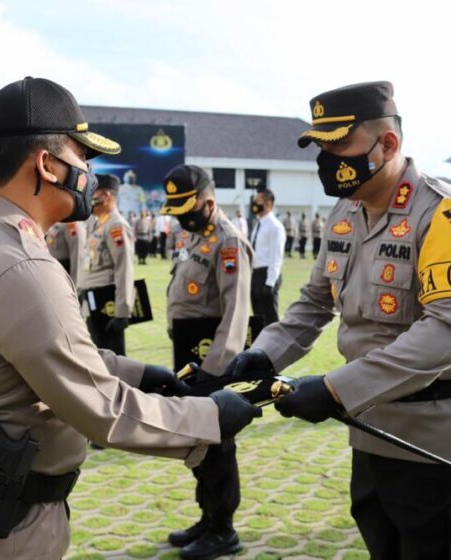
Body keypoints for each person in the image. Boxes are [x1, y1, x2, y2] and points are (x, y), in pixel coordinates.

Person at [0, 77, 261, 560]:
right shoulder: (20, 266)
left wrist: (141, 373)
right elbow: (101, 411)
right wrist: (212, 417)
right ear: (47, 165)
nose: (90, 176)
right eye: (82, 159)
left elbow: (37, 353)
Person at [226, 82, 451, 559]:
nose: (327, 160)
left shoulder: (446, 213)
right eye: (321, 148)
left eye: (339, 146)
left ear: (387, 144)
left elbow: (446, 334)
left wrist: (333, 390)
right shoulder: (345, 212)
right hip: (371, 432)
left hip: (436, 444)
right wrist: (264, 352)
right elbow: (312, 303)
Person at [161, 164, 253, 559]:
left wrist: (215, 372)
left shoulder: (228, 242)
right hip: (190, 355)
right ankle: (207, 516)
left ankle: (224, 529)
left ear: (208, 201)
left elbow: (235, 314)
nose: (181, 215)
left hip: (211, 360)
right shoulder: (197, 237)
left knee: (218, 444)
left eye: (186, 206)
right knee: (198, 441)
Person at [78, 173, 135, 356]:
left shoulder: (116, 226)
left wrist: (122, 311)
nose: (90, 198)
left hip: (107, 304)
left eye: (94, 194)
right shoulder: (98, 225)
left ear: (106, 196)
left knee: (113, 361)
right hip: (94, 301)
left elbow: (124, 270)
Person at [249, 189, 285, 326]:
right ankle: (259, 347)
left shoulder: (275, 227)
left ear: (268, 204)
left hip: (267, 275)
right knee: (257, 319)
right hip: (256, 274)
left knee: (270, 320)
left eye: (258, 202)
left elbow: (276, 257)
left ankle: (276, 347)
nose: (254, 205)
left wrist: (269, 283)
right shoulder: (258, 224)